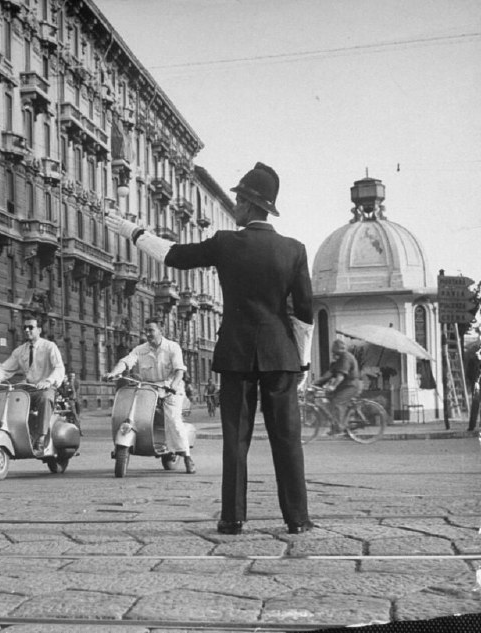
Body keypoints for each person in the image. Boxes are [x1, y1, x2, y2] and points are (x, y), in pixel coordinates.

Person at [107, 162, 314, 535]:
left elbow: (173, 255)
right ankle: (297, 518)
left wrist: (131, 230)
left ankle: (232, 517)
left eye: (238, 197)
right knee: (287, 438)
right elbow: (304, 314)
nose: (234, 202)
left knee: (236, 439)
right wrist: (302, 361)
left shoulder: (225, 243)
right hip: (281, 354)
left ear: (250, 205)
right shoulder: (294, 250)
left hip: (236, 353)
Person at [0, 316, 64, 477]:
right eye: (25, 328)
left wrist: (48, 381)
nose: (27, 330)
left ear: (39, 330)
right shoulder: (20, 351)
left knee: (45, 398)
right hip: (27, 387)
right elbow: (5, 369)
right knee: (4, 397)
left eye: (31, 327)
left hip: (44, 387)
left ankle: (41, 438)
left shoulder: (49, 347)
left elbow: (59, 368)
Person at [103, 317, 196, 474]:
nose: (148, 334)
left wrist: (172, 386)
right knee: (133, 412)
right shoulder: (141, 349)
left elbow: (179, 370)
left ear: (161, 331)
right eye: (146, 331)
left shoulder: (172, 347)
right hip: (149, 388)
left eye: (151, 330)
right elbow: (126, 361)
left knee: (173, 419)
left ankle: (187, 457)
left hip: (170, 388)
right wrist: (113, 373)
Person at [314, 339, 362, 431]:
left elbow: (340, 376)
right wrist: (316, 383)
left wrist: (333, 386)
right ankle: (337, 425)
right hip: (345, 386)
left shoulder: (345, 358)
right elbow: (329, 373)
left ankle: (339, 427)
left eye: (335, 351)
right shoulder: (338, 359)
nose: (333, 354)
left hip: (351, 385)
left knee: (338, 402)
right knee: (328, 399)